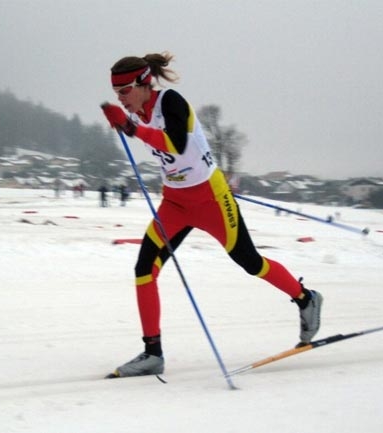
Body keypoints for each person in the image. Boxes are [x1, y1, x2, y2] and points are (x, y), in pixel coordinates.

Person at [101, 52, 323, 378]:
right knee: (144, 268)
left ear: (143, 83)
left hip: (211, 200)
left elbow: (175, 144)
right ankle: (152, 353)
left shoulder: (171, 102)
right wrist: (130, 126)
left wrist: (132, 129)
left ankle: (306, 299)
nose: (120, 100)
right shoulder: (139, 114)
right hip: (174, 204)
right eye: (116, 94)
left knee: (251, 262)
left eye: (124, 92)